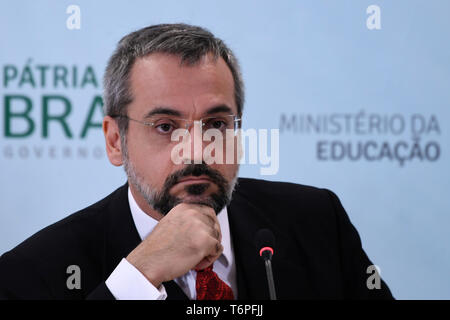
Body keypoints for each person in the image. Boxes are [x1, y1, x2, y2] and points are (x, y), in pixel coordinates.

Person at [0, 23, 393, 300]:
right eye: (166, 126)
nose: (196, 150)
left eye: (217, 124)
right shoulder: (36, 271)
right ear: (116, 140)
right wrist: (138, 277)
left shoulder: (317, 222)